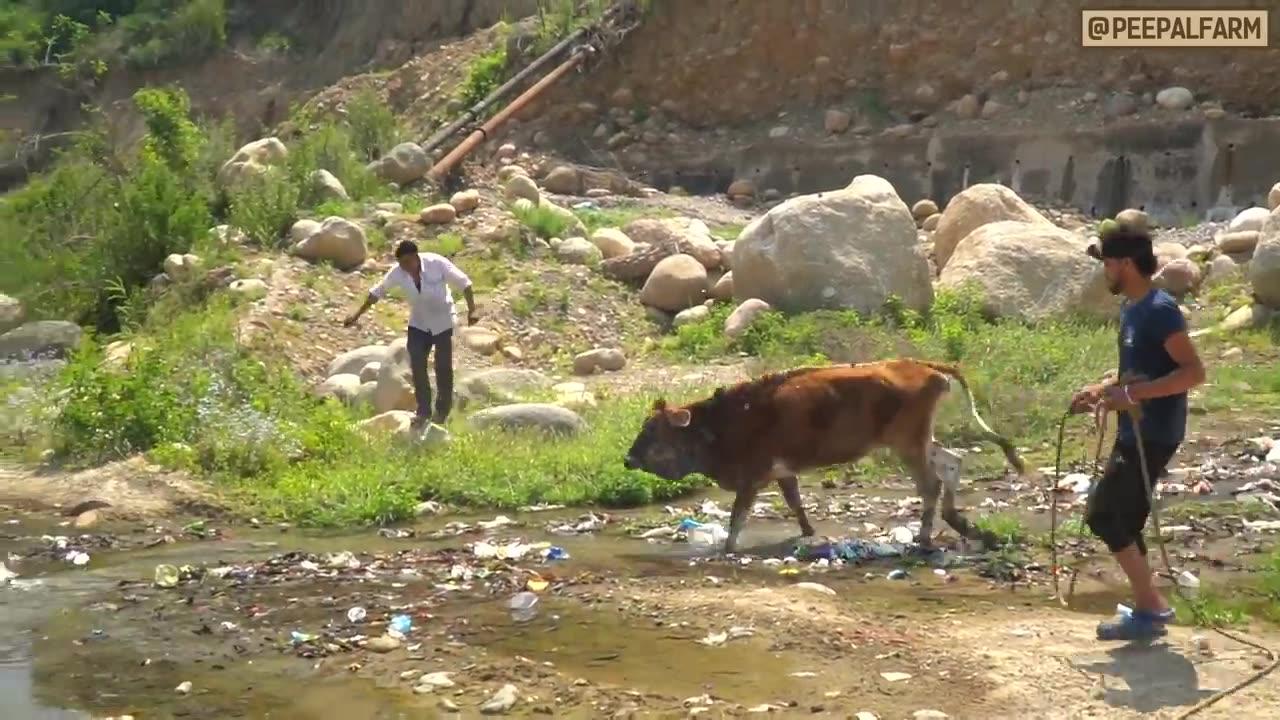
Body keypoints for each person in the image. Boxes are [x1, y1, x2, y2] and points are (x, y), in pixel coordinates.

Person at [1070, 222, 1206, 641]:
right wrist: (1103, 389)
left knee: (1104, 516)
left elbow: (1194, 373)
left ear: (1125, 263)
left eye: (1107, 263)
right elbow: (1136, 373)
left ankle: (1151, 607)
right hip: (1134, 431)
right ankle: (1149, 610)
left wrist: (1136, 394)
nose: (1104, 271)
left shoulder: (1160, 310)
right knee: (1124, 519)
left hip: (1156, 432)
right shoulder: (1131, 309)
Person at [344, 240, 478, 427]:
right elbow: (378, 292)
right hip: (419, 323)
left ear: (416, 257)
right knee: (417, 362)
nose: (406, 267)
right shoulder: (398, 272)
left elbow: (464, 284)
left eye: (408, 262)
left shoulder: (436, 263)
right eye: (402, 263)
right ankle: (423, 410)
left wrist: (472, 310)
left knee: (443, 367)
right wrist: (357, 314)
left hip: (443, 321)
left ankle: (442, 413)